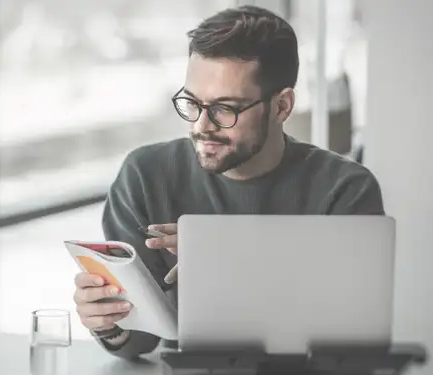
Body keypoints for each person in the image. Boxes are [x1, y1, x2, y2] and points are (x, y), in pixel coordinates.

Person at [73, 5, 384, 359]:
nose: (201, 125)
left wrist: (230, 257)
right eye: (192, 102)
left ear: (282, 106)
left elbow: (352, 346)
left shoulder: (345, 190)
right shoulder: (145, 176)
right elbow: (141, 340)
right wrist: (108, 323)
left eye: (225, 109)